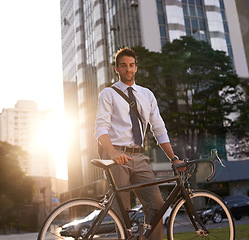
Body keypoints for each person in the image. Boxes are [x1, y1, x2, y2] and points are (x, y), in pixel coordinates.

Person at [95, 47, 184, 240]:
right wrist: (112, 153)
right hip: (116, 155)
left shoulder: (147, 95)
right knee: (122, 213)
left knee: (157, 206)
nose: (128, 69)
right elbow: (100, 128)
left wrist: (174, 158)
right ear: (116, 69)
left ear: (136, 67)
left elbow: (158, 129)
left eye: (131, 65)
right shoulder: (108, 94)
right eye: (123, 66)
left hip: (139, 156)